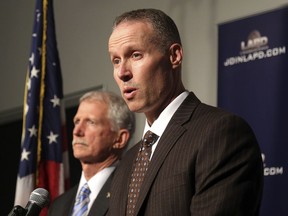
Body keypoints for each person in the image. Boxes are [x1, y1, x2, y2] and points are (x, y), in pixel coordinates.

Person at [107, 8, 263, 216]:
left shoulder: (221, 134)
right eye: (116, 60)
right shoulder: (128, 162)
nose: (122, 72)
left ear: (174, 56)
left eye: (135, 55)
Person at [48, 90, 135, 216]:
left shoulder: (132, 192)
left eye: (91, 122)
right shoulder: (58, 206)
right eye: (77, 122)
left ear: (119, 139)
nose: (77, 131)